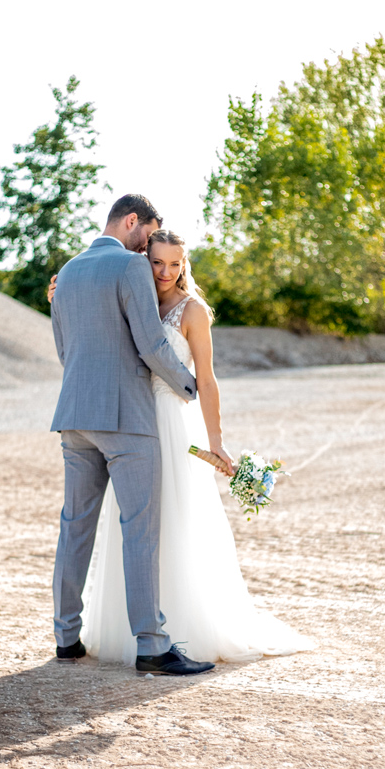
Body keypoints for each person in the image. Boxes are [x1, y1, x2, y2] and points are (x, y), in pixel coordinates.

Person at [49, 220, 312, 666]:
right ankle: (143, 641)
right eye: (155, 261)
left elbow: (205, 379)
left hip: (153, 419)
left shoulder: (187, 309)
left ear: (184, 264)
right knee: (135, 529)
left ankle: (89, 636)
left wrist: (216, 440)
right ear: (142, 250)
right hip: (132, 420)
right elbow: (135, 343)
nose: (164, 271)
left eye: (174, 264)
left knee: (148, 525)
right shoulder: (131, 286)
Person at [50, 194, 215, 677]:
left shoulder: (68, 271)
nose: (149, 250)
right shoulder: (129, 268)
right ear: (131, 222)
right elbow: (150, 342)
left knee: (74, 525)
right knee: (139, 528)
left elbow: (65, 348)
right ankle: (151, 645)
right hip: (126, 418)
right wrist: (188, 387)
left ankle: (66, 637)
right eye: (148, 235)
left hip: (74, 414)